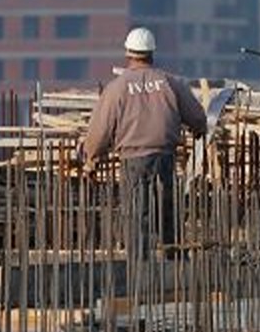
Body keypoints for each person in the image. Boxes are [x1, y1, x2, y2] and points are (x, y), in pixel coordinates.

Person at [82, 27, 208, 258]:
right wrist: (199, 130)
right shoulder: (170, 82)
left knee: (137, 217)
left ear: (128, 53)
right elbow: (197, 116)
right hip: (165, 158)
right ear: (152, 53)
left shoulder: (117, 88)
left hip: (134, 161)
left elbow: (99, 130)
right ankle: (174, 264)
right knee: (167, 213)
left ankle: (140, 269)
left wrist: (91, 159)